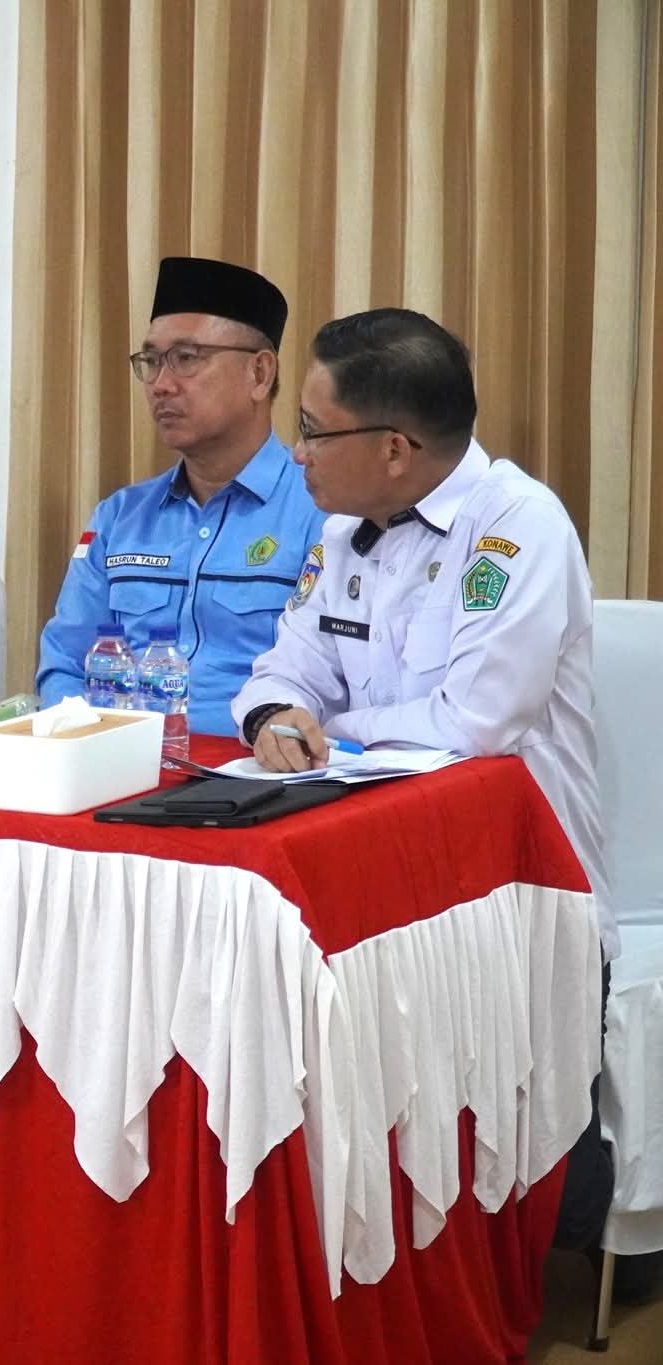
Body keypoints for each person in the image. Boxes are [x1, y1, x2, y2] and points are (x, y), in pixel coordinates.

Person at [231, 308, 622, 1257]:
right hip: (380, 870)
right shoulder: (341, 531)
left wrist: (330, 730)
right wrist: (276, 717)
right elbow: (284, 666)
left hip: (518, 888)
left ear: (395, 448)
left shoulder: (517, 527)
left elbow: (474, 722)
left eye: (314, 430)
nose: (296, 452)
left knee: (541, 1193)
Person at [35, 256, 322, 734]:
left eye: (186, 358)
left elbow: (334, 679)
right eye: (151, 362)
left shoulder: (323, 512)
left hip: (253, 764)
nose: (161, 385)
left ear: (259, 374)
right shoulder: (119, 518)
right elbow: (65, 661)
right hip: (117, 759)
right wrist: (83, 740)